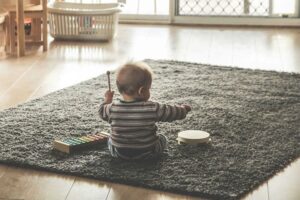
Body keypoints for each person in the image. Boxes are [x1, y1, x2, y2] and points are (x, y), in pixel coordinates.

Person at [99, 61, 191, 160]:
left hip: (119, 153)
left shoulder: (112, 108)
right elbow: (171, 112)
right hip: (147, 152)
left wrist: (107, 100)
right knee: (162, 138)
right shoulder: (152, 108)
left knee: (109, 139)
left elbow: (101, 112)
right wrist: (183, 109)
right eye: (149, 89)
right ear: (141, 91)